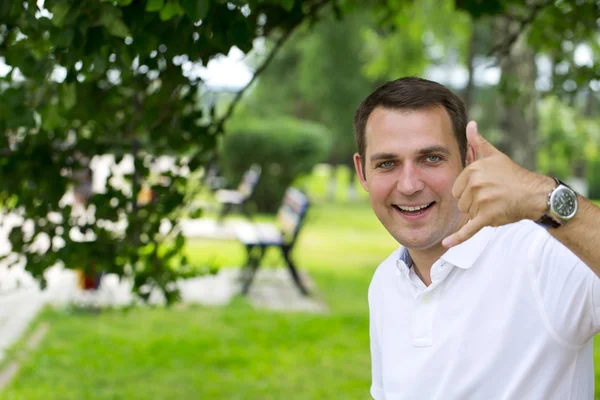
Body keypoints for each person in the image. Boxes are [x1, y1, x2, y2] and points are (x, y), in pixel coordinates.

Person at [352, 76, 600, 399]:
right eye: (387, 163)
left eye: (431, 158)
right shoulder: (386, 281)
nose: (409, 184)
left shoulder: (540, 255)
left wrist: (544, 196)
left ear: (468, 160)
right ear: (362, 173)